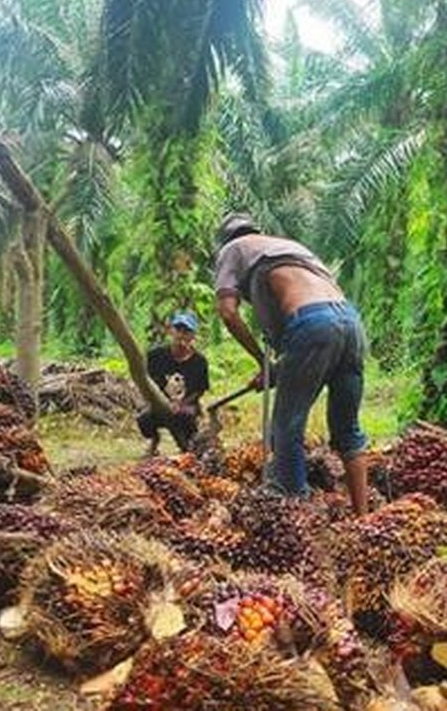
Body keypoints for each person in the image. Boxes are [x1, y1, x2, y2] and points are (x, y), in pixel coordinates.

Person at [213, 212, 370, 515]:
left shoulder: (233, 249)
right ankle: (363, 518)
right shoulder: (288, 247)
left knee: (286, 427)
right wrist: (276, 369)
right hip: (350, 323)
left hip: (312, 323)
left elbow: (228, 312)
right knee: (347, 428)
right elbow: (323, 323)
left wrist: (262, 361)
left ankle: (297, 518)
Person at [137, 310, 210, 455]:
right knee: (143, 419)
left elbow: (199, 390)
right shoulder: (155, 355)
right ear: (171, 331)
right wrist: (158, 401)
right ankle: (154, 440)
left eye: (186, 331)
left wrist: (182, 404)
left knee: (187, 429)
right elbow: (147, 381)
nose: (181, 335)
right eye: (178, 330)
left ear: (193, 336)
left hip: (186, 405)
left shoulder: (199, 361)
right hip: (159, 402)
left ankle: (188, 441)